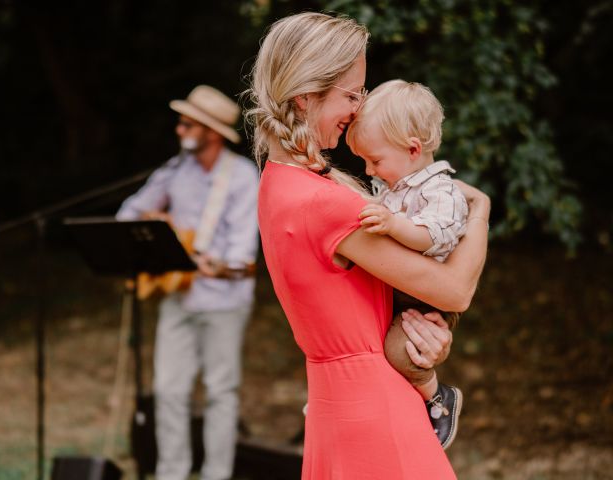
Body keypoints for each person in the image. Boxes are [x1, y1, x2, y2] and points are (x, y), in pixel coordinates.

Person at [245, 11, 490, 479]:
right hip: (376, 414)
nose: (360, 108)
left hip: (334, 405)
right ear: (305, 97)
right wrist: (480, 213)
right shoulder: (325, 202)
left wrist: (417, 346)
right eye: (352, 94)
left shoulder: (277, 183)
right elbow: (455, 291)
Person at [117, 85, 259, 480]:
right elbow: (128, 213)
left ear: (211, 132)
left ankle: (217, 475)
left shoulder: (243, 177)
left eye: (187, 124)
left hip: (224, 299)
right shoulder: (175, 171)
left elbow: (243, 256)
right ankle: (171, 473)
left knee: (220, 393)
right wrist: (154, 223)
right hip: (178, 296)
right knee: (169, 392)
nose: (179, 131)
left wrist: (221, 265)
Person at [347, 79, 470, 449]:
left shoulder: (440, 191)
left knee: (403, 351)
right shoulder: (394, 186)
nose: (369, 170)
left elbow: (434, 236)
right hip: (396, 286)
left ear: (413, 149)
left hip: (423, 300)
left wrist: (394, 225)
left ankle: (438, 397)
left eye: (375, 160)